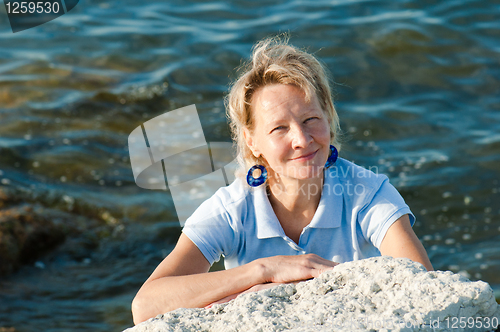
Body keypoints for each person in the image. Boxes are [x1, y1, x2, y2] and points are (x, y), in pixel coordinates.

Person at [131, 35, 433, 325]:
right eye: (279, 129)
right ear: (252, 142)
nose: (302, 140)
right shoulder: (233, 208)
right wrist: (264, 270)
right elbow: (146, 305)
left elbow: (421, 286)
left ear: (328, 116)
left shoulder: (367, 193)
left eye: (310, 119)